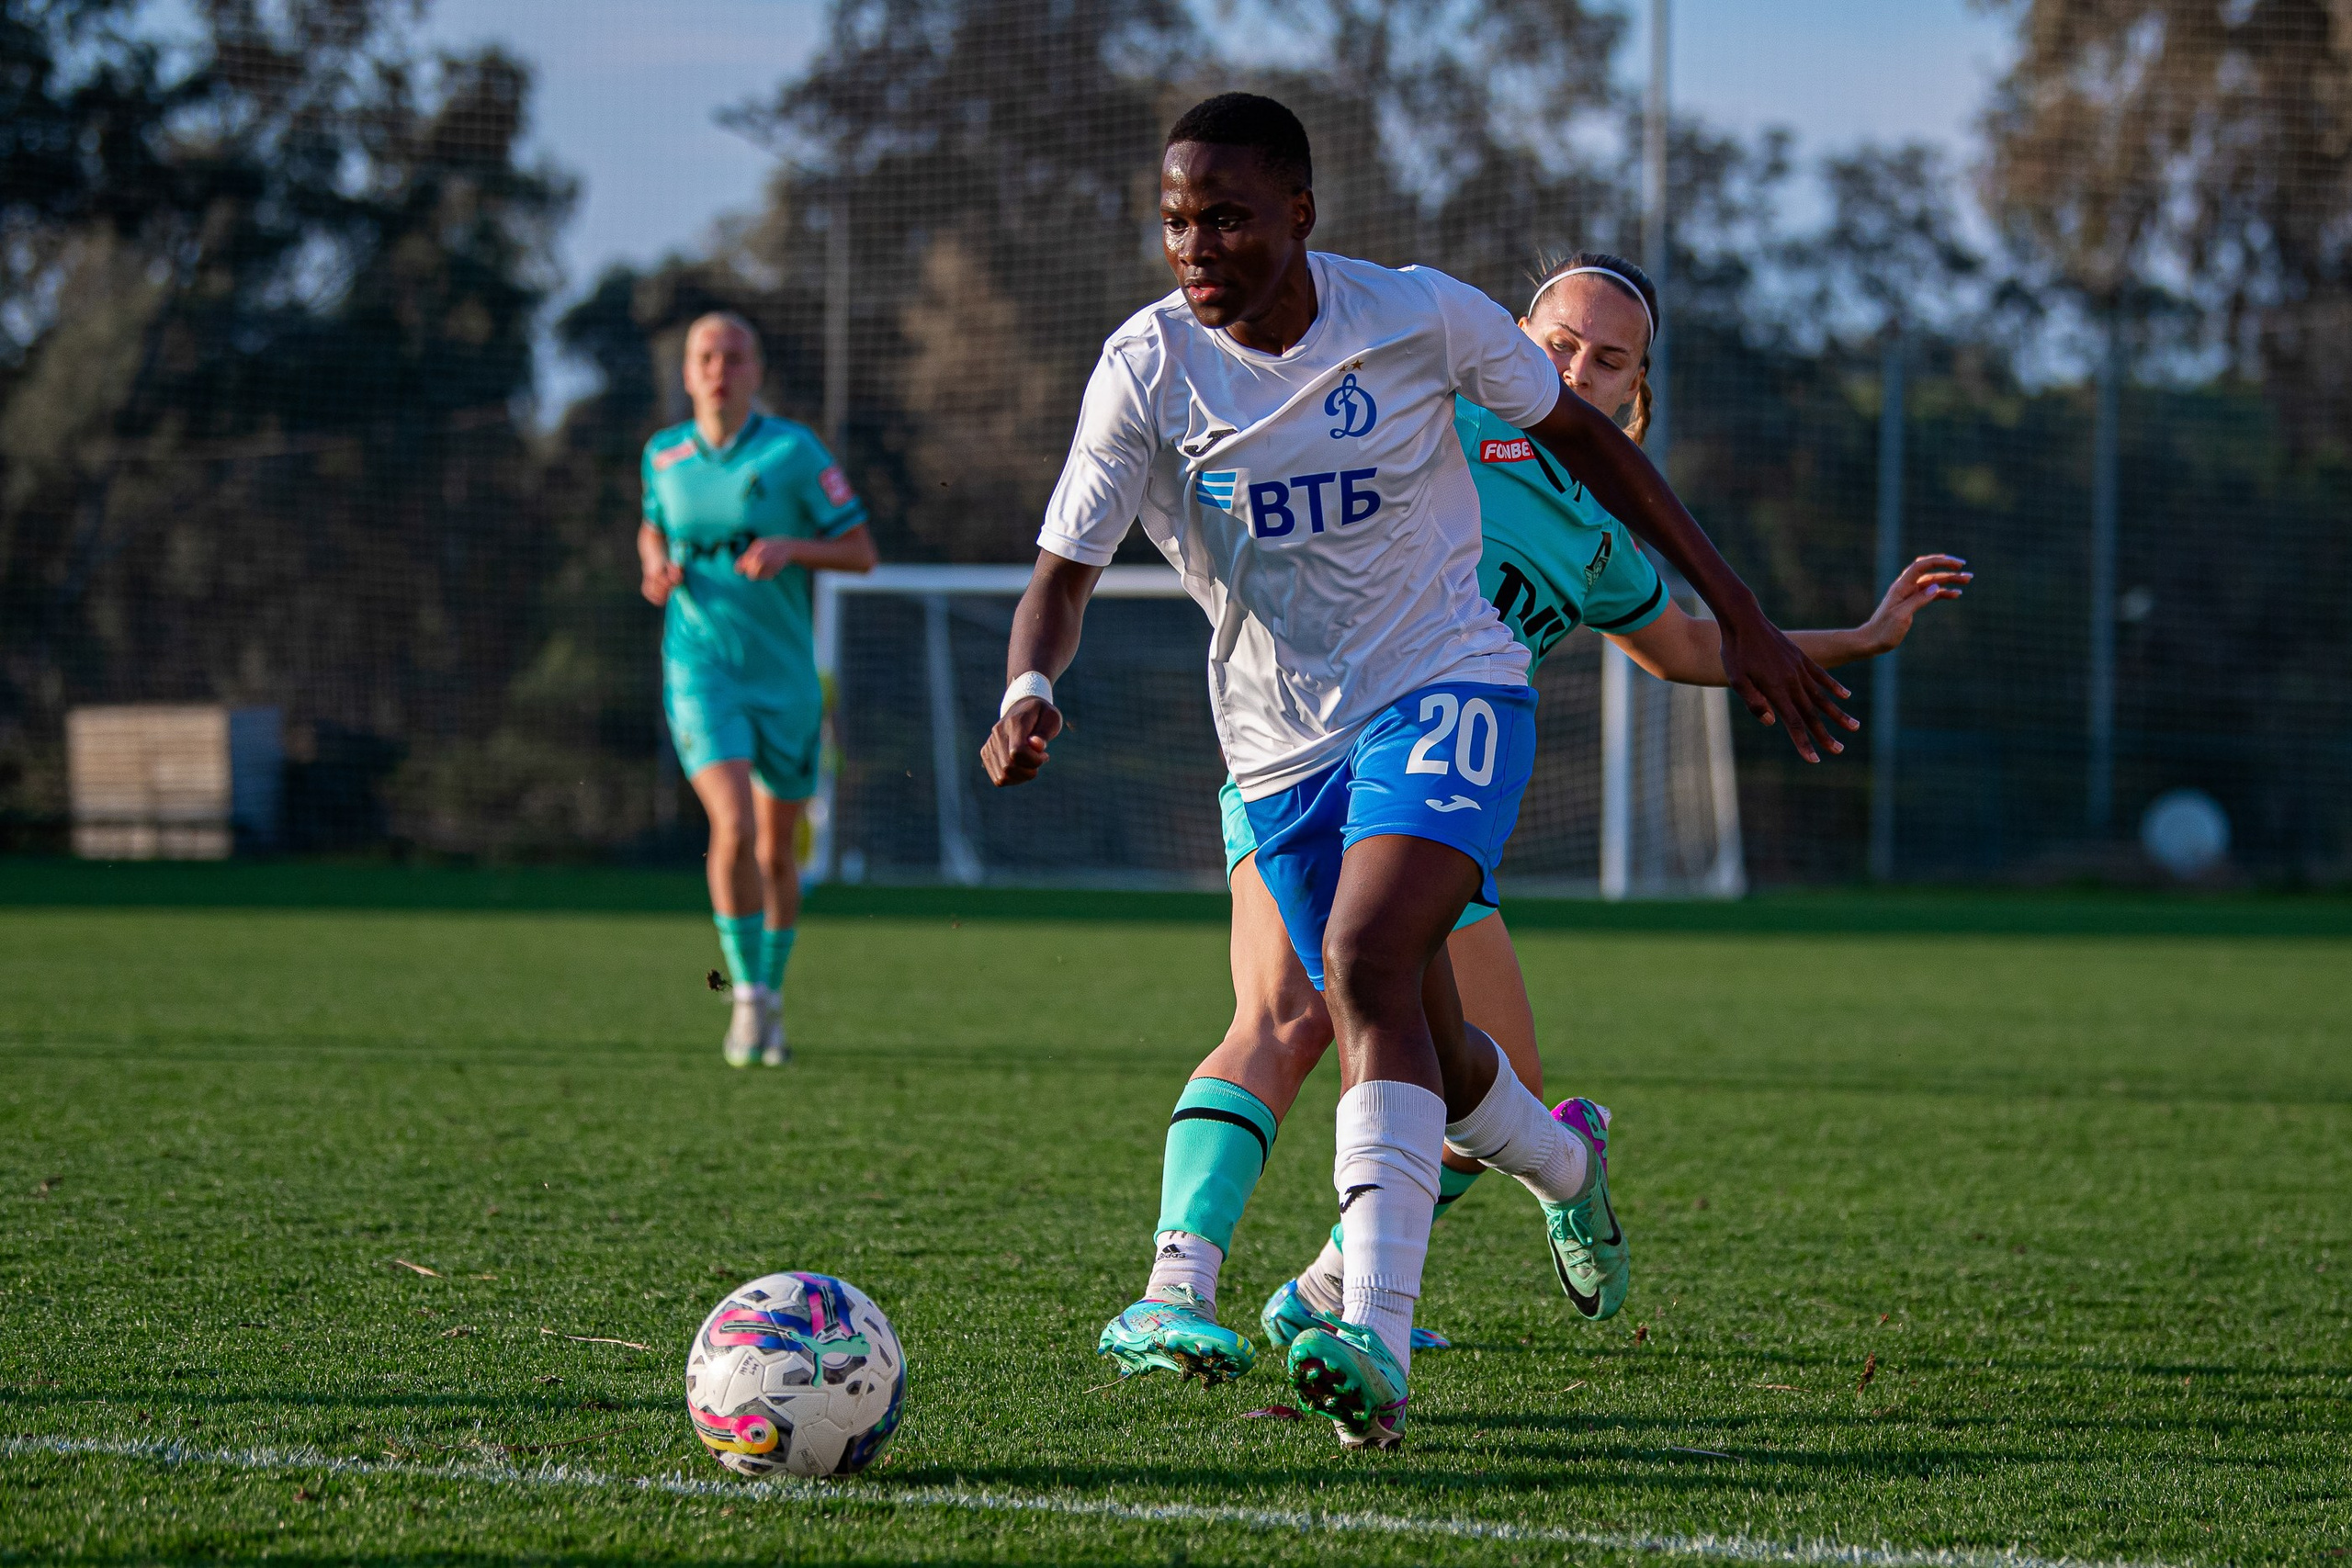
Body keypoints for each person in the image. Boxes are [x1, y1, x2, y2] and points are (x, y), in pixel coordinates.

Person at [980, 94, 1849, 1450]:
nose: (1196, 247)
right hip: (1278, 743)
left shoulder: (1418, 316)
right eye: (1176, 222)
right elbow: (1062, 574)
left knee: (1362, 961)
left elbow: (1595, 450)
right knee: (1424, 1039)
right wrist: (1030, 687)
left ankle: (1366, 1335)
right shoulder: (1145, 368)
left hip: (1449, 687)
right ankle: (1564, 1160)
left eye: (1227, 219)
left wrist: (1743, 612)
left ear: (1299, 216)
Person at [1103, 257, 1970, 1385]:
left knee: (1483, 1083)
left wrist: (1858, 636)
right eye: (1557, 343)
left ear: (1636, 388)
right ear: (1510, 334)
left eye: (1607, 360)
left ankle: (1339, 1284)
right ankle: (1174, 1290)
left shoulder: (1602, 534)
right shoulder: (1431, 412)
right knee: (1289, 1012)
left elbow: (1683, 648)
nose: (1575, 369)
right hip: (1300, 751)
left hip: (1436, 786)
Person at [639, 312, 877, 1067]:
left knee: (777, 853)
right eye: (706, 356)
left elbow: (861, 552)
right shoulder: (663, 454)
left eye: (734, 357)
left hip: (785, 680)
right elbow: (652, 525)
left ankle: (769, 993)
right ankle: (744, 998)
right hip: (700, 670)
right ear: (687, 373)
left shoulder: (794, 451)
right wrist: (654, 565)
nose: (720, 369)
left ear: (756, 372)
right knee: (733, 827)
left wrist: (792, 547)